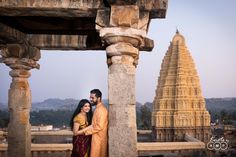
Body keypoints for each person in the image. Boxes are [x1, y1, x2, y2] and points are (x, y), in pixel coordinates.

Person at [77, 89, 108, 157]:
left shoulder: (101, 110)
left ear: (99, 98)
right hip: (96, 139)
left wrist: (85, 132)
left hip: (99, 140)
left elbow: (99, 126)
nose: (91, 99)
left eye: (93, 98)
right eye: (90, 97)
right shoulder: (97, 108)